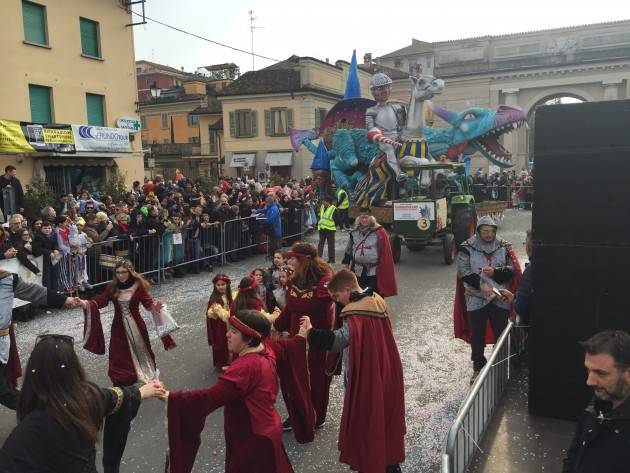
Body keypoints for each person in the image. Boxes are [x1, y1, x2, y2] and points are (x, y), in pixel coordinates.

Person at [0, 334, 165, 473]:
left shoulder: (24, 435)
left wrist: (141, 392)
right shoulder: (86, 399)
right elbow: (116, 397)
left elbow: (116, 397)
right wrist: (142, 392)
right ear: (74, 370)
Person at [162, 310, 300, 473]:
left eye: (234, 332)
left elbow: (210, 398)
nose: (227, 334)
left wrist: (169, 397)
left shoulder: (246, 367)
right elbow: (281, 347)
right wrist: (301, 336)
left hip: (253, 440)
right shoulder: (265, 348)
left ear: (248, 339)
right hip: (268, 429)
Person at [299, 269, 405, 473]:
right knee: (384, 422)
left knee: (367, 423)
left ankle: (372, 464)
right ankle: (389, 465)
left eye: (337, 296)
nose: (337, 302)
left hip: (368, 377)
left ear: (347, 289)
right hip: (386, 369)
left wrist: (310, 333)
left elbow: (339, 340)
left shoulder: (356, 311)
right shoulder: (374, 298)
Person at [81, 259, 176, 386]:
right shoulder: (112, 287)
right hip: (118, 327)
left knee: (141, 352)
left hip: (136, 326)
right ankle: (121, 380)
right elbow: (100, 301)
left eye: (123, 272)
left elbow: (148, 304)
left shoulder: (139, 286)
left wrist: (155, 307)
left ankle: (150, 376)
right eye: (118, 272)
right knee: (118, 354)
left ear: (130, 272)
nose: (120, 275)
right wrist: (84, 303)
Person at [0, 270, 82, 410]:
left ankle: (40, 410)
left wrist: (64, 300)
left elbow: (35, 292)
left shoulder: (6, 279)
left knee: (3, 391)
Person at [274, 242, 334, 432]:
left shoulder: (324, 281)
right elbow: (290, 308)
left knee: (316, 378)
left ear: (304, 260)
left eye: (292, 258)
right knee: (295, 377)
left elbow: (337, 303)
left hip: (317, 339)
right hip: (295, 339)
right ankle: (298, 413)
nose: (288, 260)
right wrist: (275, 326)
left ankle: (316, 416)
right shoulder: (294, 279)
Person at [454, 215, 521, 384]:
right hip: (476, 297)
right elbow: (463, 271)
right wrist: (481, 284)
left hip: (499, 298)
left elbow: (512, 269)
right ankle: (478, 367)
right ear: (478, 231)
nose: (489, 235)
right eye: (485, 231)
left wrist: (496, 272)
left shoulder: (504, 246)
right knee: (477, 336)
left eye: (492, 231)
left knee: (501, 334)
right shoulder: (467, 247)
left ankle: (501, 366)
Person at [563, 331, 630, 473]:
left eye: (601, 373)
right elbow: (575, 453)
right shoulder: (598, 403)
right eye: (588, 370)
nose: (589, 381)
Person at [342, 209, 397, 297]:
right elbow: (349, 249)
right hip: (357, 269)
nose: (364, 220)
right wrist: (346, 262)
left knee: (373, 295)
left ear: (371, 218)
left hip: (373, 271)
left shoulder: (379, 232)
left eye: (366, 217)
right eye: (362, 218)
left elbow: (385, 251)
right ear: (359, 219)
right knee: (357, 294)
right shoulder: (354, 233)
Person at [365, 73, 407, 188]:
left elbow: (403, 124)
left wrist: (403, 134)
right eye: (381, 88)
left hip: (398, 137)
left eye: (387, 87)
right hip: (383, 140)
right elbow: (370, 128)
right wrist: (379, 137)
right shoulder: (371, 111)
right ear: (374, 91)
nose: (385, 91)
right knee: (389, 150)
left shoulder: (397, 107)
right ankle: (398, 174)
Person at [205, 274, 233, 371]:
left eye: (223, 284)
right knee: (221, 343)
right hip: (220, 325)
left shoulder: (230, 295)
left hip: (230, 323)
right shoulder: (214, 299)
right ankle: (222, 362)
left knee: (232, 342)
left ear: (227, 285)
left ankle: (231, 361)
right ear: (215, 286)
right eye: (218, 285)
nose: (221, 286)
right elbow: (210, 314)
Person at [317, 195, 337, 264]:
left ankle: (332, 259)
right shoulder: (322, 207)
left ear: (328, 202)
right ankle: (318, 258)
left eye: (323, 201)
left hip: (330, 230)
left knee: (331, 245)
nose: (322, 202)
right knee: (320, 245)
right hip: (322, 229)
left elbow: (337, 220)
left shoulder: (333, 208)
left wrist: (333, 225)